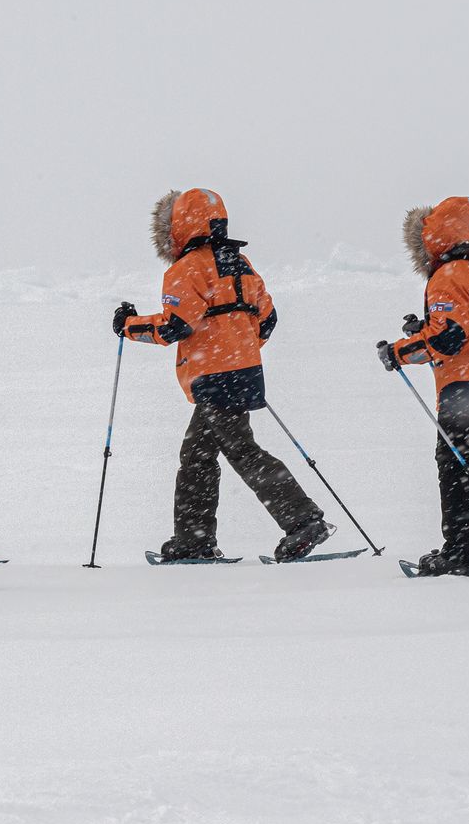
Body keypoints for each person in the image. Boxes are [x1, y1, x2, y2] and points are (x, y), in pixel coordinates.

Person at [113, 188, 332, 562]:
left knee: (241, 451)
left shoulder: (186, 269)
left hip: (215, 376)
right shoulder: (242, 264)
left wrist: (129, 325)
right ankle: (193, 540)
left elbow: (174, 327)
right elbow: (268, 319)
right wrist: (239, 350)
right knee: (197, 454)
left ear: (179, 226)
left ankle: (303, 521)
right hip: (243, 373)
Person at [378, 196, 469, 576]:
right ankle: (465, 553)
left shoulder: (449, 275)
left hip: (467, 390)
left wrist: (399, 351)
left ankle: (464, 554)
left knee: (455, 467)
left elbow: (448, 338)